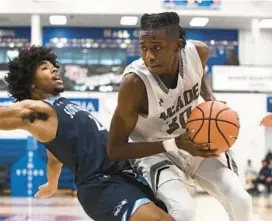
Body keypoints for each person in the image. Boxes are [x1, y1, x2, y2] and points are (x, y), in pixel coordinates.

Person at [107, 12, 252, 221]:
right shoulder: (134, 84)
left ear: (178, 45)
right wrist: (173, 144)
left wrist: (211, 100)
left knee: (241, 201)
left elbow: (199, 76)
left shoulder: (198, 52)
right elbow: (115, 149)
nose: (148, 56)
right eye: (144, 47)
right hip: (156, 153)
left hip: (195, 141)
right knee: (184, 212)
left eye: (156, 47)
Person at [1, 46, 172, 221]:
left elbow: (55, 158)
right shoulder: (37, 110)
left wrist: (52, 184)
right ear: (32, 84)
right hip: (101, 185)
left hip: (123, 175)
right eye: (44, 67)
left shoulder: (58, 108)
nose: (54, 68)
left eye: (53, 65)